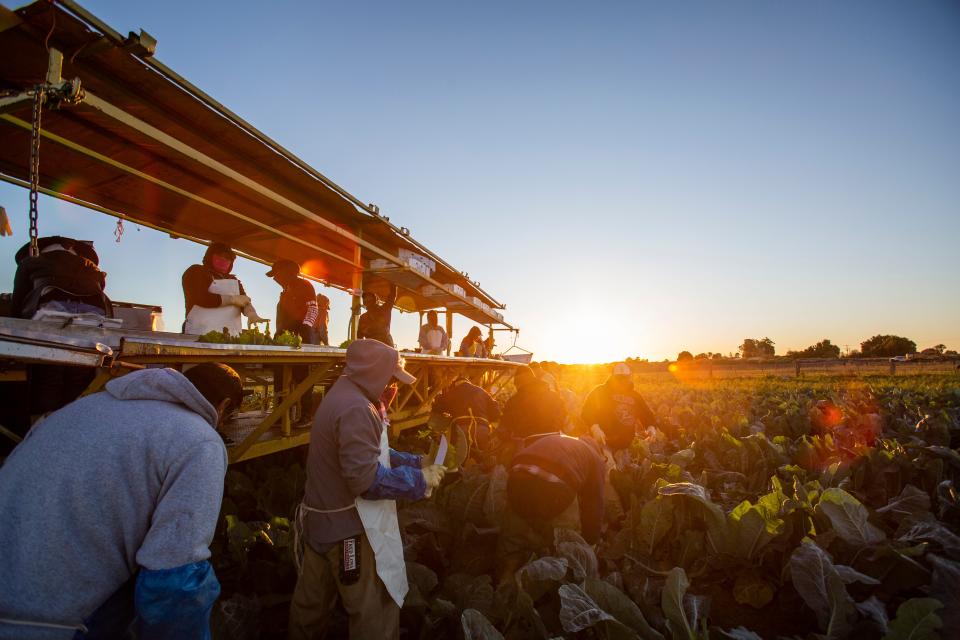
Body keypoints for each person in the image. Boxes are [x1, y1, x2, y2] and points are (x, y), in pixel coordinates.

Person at [0, 363, 242, 639]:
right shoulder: (199, 441)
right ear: (223, 406)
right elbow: (174, 579)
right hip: (51, 624)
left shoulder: (82, 407)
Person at [288, 339, 446, 640]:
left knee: (310, 609)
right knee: (373, 611)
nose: (394, 388)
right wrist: (420, 480)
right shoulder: (357, 408)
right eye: (391, 379)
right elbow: (365, 480)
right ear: (374, 374)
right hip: (348, 533)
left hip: (319, 524)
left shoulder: (345, 394)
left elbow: (372, 451)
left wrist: (417, 461)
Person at [497, 434, 605, 582]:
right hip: (554, 487)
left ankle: (506, 582)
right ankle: (556, 587)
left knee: (515, 541)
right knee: (564, 543)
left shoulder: (561, 440)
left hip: (517, 479)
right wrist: (590, 542)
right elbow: (594, 503)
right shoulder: (595, 457)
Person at [10, 235, 111, 319]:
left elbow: (19, 296)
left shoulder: (30, 262)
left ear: (42, 250)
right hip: (96, 310)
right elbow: (101, 285)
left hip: (50, 308)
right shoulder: (90, 265)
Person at [182, 242, 266, 336]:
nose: (224, 260)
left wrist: (251, 313)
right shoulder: (196, 271)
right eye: (219, 255)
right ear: (209, 256)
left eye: (228, 258)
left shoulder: (234, 280)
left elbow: (244, 301)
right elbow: (201, 298)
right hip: (198, 334)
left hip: (230, 337)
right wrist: (232, 299)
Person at [581, 362, 657, 451]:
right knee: (609, 464)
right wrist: (595, 428)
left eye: (625, 378)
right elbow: (587, 411)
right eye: (619, 378)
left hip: (626, 446)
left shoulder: (635, 396)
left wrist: (651, 427)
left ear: (629, 377)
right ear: (613, 377)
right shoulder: (600, 391)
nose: (622, 381)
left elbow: (646, 414)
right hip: (603, 444)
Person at [432, 369, 501, 455]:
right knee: (483, 461)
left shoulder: (452, 392)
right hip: (483, 431)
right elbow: (496, 411)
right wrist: (484, 420)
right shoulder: (481, 391)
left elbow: (437, 408)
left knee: (458, 461)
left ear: (454, 384)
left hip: (462, 432)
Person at [499, 366, 567, 441]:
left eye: (516, 384)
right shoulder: (554, 396)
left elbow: (505, 424)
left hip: (527, 443)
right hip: (554, 440)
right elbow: (563, 414)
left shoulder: (515, 401)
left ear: (519, 383)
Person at [267, 259, 320, 344]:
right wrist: (278, 334)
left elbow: (313, 309)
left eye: (276, 274)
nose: (275, 278)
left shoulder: (305, 285)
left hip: (300, 339)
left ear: (286, 273)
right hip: (283, 338)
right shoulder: (284, 292)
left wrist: (304, 330)